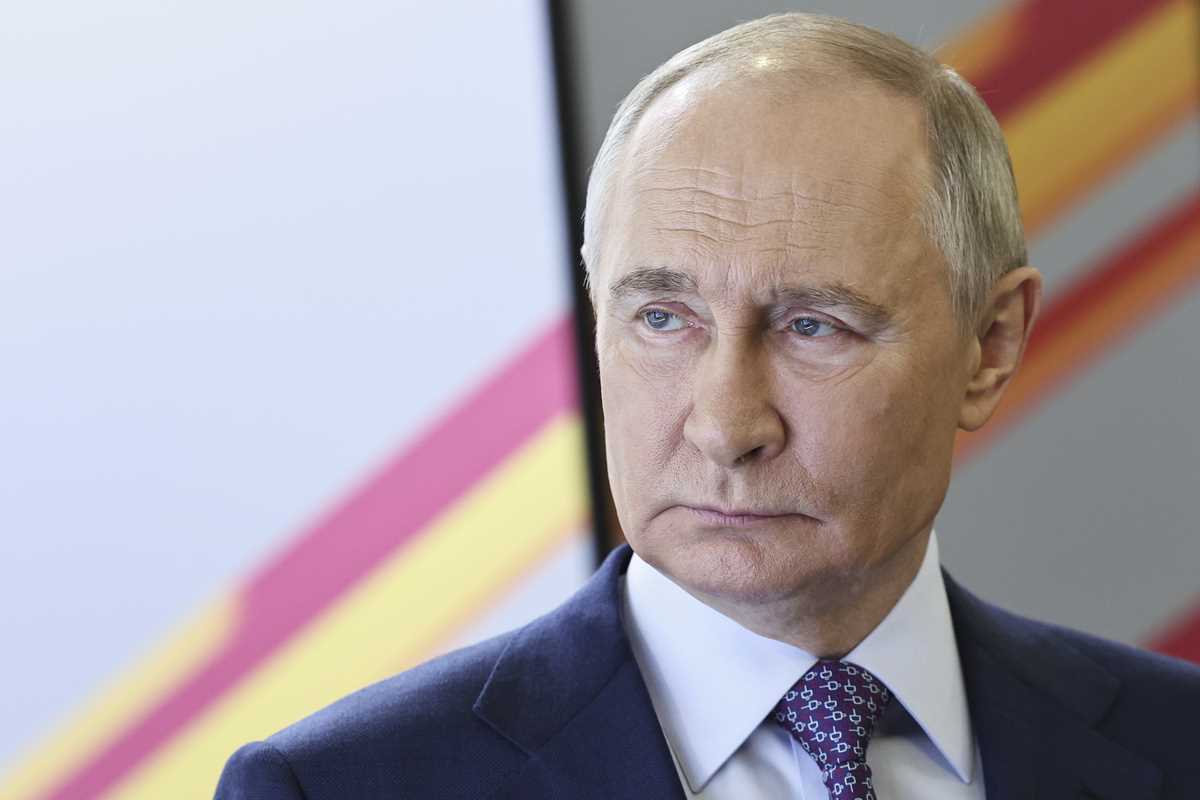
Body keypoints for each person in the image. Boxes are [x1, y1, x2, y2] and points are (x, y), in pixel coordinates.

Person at [215, 12, 1200, 799]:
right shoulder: (340, 785)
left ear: (989, 346)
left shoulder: (1177, 741)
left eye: (813, 326)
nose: (727, 426)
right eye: (662, 318)